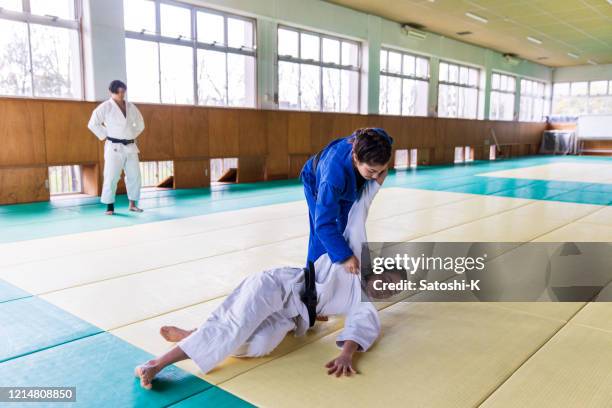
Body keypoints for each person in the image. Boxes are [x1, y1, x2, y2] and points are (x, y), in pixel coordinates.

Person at [135, 172, 405, 389]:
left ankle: (196, 335)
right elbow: (360, 211)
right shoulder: (355, 256)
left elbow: (361, 328)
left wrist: (347, 355)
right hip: (278, 287)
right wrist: (378, 175)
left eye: (391, 289)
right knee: (233, 328)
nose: (385, 288)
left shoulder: (364, 303)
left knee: (261, 344)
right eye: (388, 280)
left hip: (292, 318)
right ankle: (157, 364)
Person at [300, 128, 393, 275]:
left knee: (345, 228)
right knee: (322, 239)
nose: (376, 176)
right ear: (356, 158)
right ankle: (311, 282)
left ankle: (340, 279)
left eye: (380, 170)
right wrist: (345, 256)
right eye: (371, 171)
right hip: (315, 180)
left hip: (350, 180)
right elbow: (323, 224)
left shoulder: (378, 141)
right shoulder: (332, 179)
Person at [88, 80, 145, 215]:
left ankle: (132, 204)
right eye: (118, 92)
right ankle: (110, 207)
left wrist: (132, 133)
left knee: (135, 176)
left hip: (130, 145)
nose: (121, 95)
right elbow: (92, 124)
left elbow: (141, 124)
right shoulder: (105, 107)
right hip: (114, 146)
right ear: (112, 92)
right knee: (111, 176)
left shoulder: (131, 106)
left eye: (123, 92)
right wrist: (106, 134)